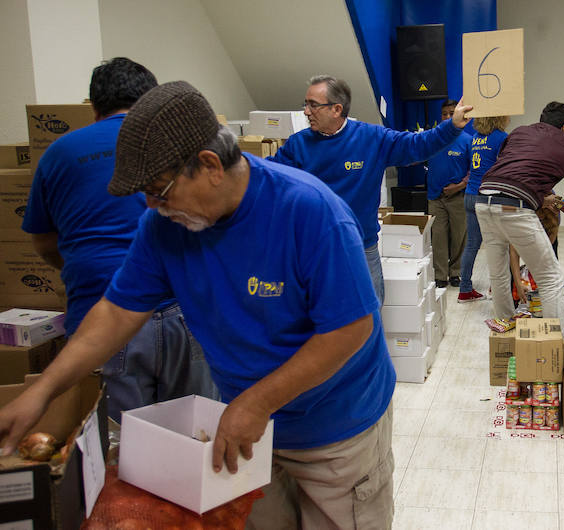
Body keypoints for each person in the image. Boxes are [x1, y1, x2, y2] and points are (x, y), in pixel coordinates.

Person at [1, 82, 396, 529]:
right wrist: (41, 391)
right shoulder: (163, 227)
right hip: (250, 432)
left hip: (335, 431)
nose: (150, 206)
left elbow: (350, 329)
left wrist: (256, 403)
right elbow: (113, 315)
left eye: (158, 190)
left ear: (209, 165)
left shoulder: (309, 212)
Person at [20, 58, 217, 422]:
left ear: (93, 106)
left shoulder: (59, 154)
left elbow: (45, 244)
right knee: (195, 432)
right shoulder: (177, 150)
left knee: (119, 447)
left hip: (100, 311)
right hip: (182, 309)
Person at [269, 75, 472, 303]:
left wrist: (452, 126)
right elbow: (269, 177)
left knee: (370, 311)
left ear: (336, 109)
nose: (306, 111)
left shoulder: (372, 138)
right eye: (305, 104)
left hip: (362, 247)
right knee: (321, 314)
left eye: (312, 105)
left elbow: (418, 145)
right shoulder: (298, 145)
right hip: (317, 250)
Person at [477, 102, 564, 337]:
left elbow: (513, 168)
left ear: (541, 119)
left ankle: (506, 331)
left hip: (484, 199)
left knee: (498, 274)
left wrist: (539, 197)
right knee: (551, 279)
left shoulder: (519, 132)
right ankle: (555, 345)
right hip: (514, 208)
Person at [458, 115, 510, 302]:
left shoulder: (474, 138)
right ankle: (496, 289)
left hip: (470, 194)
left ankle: (464, 289)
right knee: (498, 245)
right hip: (489, 196)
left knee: (472, 244)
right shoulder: (501, 137)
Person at [426, 99, 472, 288]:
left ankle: (455, 272)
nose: (447, 117)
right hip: (435, 197)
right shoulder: (433, 138)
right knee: (438, 237)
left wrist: (459, 186)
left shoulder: (468, 140)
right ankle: (440, 275)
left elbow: (474, 170)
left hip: (457, 197)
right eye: (444, 113)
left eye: (451, 113)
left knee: (459, 236)